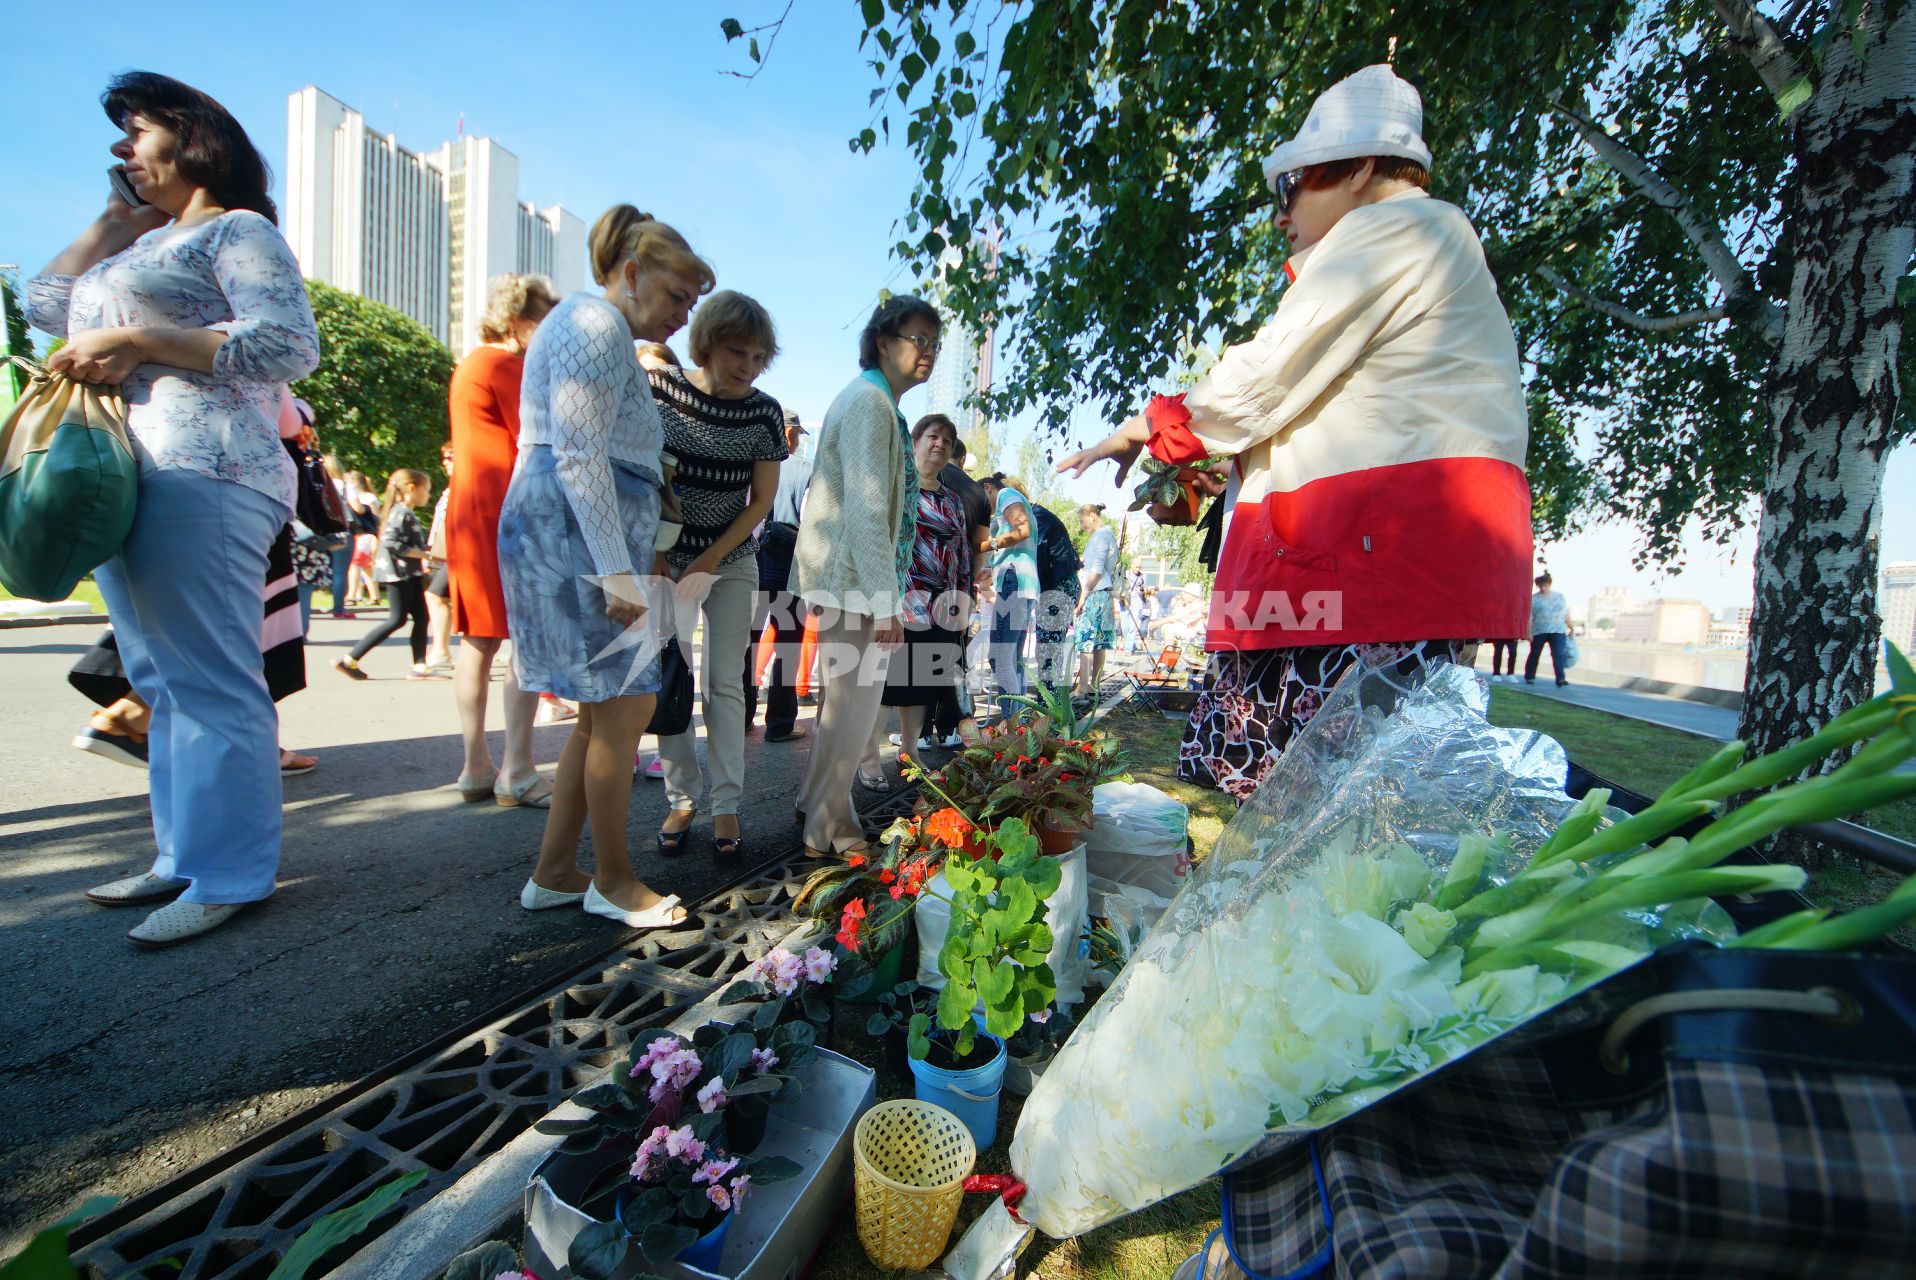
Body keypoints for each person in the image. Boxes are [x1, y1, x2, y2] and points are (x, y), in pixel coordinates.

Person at [1059, 65, 1531, 801]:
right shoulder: (1430, 244)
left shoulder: (1394, 228)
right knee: (1342, 821)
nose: (1283, 214)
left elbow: (1263, 377)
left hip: (1361, 585)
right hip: (1373, 579)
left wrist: (1150, 430)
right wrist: (1221, 471)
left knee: (1315, 816)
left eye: (1293, 186)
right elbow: (1341, 415)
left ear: (1364, 168)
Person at [30, 71, 321, 946]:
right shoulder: (136, 246)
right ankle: (181, 858)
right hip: (132, 472)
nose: (122, 145)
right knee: (160, 682)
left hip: (210, 468)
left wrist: (139, 339)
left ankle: (231, 872)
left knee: (210, 680)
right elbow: (46, 303)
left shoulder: (239, 230)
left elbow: (286, 343)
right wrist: (116, 220)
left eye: (138, 128)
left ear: (194, 137)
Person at [497, 204, 710, 929]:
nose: (684, 313)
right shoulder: (595, 324)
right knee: (621, 712)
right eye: (678, 295)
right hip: (577, 532)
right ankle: (614, 881)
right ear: (631, 273)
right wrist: (619, 572)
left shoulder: (597, 327)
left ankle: (557, 871)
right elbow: (581, 456)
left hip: (579, 530)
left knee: (601, 717)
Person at [792, 295, 940, 856]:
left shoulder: (874, 401)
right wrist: (886, 602)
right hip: (855, 583)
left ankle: (817, 805)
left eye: (933, 343)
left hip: (850, 579)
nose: (926, 351)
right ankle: (830, 827)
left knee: (843, 706)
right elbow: (865, 509)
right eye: (916, 338)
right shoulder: (871, 404)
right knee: (854, 713)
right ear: (883, 340)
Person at [647, 291, 789, 862]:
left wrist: (708, 559)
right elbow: (644, 478)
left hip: (729, 562)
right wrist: (657, 556)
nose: (748, 368)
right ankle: (681, 797)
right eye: (737, 352)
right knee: (671, 675)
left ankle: (726, 802)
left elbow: (762, 502)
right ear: (705, 342)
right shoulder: (662, 391)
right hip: (664, 558)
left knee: (724, 684)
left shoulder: (764, 411)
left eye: (759, 358)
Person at [447, 272, 558, 805]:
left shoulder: (470, 363)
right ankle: (517, 767)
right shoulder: (506, 364)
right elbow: (536, 437)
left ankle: (475, 765)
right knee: (525, 637)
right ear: (518, 320)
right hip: (509, 510)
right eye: (544, 319)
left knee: (478, 640)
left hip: (470, 510)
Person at [872, 412, 971, 770]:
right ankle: (869, 756)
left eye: (946, 441)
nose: (939, 444)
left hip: (940, 605)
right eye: (932, 436)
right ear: (915, 442)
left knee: (923, 681)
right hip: (900, 601)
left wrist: (963, 600)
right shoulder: (896, 487)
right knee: (887, 682)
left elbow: (962, 552)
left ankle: (909, 750)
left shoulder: (952, 499)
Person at [746, 409, 811, 742]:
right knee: (787, 646)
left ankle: (743, 716)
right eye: (798, 434)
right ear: (788, 433)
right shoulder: (806, 471)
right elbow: (813, 524)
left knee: (747, 642)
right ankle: (779, 723)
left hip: (749, 566)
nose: (798, 441)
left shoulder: (749, 464)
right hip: (791, 570)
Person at [334, 470, 437, 678]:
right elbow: (391, 543)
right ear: (411, 488)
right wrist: (425, 556)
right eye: (426, 490)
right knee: (396, 620)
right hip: (398, 574)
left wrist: (425, 553)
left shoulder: (403, 512)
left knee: (421, 617)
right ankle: (350, 659)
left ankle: (419, 664)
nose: (428, 495)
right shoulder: (401, 513)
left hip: (409, 573)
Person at [978, 472, 1039, 721]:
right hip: (1021, 582)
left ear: (988, 488)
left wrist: (983, 546)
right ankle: (1020, 722)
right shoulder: (1012, 502)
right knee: (1013, 659)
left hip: (1015, 582)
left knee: (999, 657)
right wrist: (989, 573)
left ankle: (1011, 724)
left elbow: (1021, 529)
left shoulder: (1005, 494)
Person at [1028, 499, 1083, 693]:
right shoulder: (1042, 516)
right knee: (1050, 651)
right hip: (1062, 587)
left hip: (1056, 590)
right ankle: (1051, 704)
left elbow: (1040, 559)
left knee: (1048, 652)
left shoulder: (1038, 519)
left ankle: (1049, 708)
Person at [1073, 504, 1119, 698]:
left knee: (1086, 639)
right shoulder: (1107, 535)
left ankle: (1083, 686)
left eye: (1082, 521)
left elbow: (1096, 569)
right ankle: (1094, 684)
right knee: (1099, 641)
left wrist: (1083, 596)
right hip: (1105, 593)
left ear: (1092, 516)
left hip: (1095, 593)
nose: (1081, 525)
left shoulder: (1100, 536)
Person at [423, 440, 456, 670]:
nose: (445, 462)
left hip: (458, 552)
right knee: (437, 596)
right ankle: (440, 649)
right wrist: (430, 550)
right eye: (444, 458)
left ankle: (441, 650)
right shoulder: (450, 487)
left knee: (435, 595)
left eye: (451, 457)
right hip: (445, 552)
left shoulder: (463, 485)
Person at [1525, 572, 1572, 687]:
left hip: (1558, 630)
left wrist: (1571, 627)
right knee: (1535, 653)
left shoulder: (1559, 597)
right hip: (1539, 630)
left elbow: (1565, 613)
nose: (1543, 588)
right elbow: (1530, 617)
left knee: (1557, 654)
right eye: (1540, 585)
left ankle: (1560, 678)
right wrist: (1529, 633)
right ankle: (1530, 676)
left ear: (1549, 584)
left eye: (1545, 585)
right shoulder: (1534, 599)